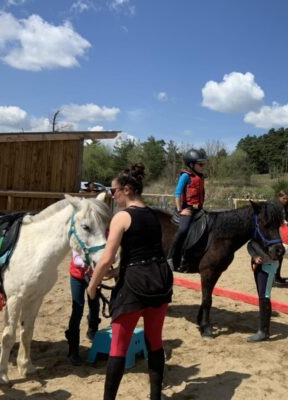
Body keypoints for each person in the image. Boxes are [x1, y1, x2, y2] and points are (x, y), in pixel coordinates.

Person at [87, 163, 172, 400]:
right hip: (159, 282)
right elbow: (144, 250)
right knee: (155, 342)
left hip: (134, 288)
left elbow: (106, 258)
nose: (112, 195)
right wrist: (117, 273)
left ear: (126, 189)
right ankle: (155, 396)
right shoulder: (153, 215)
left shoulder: (122, 217)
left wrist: (93, 286)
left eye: (114, 191)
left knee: (118, 348)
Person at [167, 148, 207, 272]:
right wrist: (180, 210)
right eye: (200, 164)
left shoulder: (200, 177)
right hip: (187, 209)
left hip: (199, 209)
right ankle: (171, 257)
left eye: (203, 164)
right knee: (183, 230)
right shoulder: (185, 176)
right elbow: (177, 193)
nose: (202, 167)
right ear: (191, 164)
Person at [246, 216, 280, 342]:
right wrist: (255, 256)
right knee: (262, 295)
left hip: (269, 266)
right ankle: (263, 330)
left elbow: (279, 250)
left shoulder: (274, 233)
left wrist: (264, 257)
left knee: (264, 296)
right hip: (260, 266)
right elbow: (251, 244)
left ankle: (264, 331)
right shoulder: (261, 230)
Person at [64, 251, 101, 365]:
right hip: (77, 276)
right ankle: (73, 350)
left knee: (95, 304)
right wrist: (88, 264)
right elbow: (76, 258)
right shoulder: (79, 235)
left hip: (95, 274)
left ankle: (92, 330)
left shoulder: (105, 234)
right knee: (77, 308)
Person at [274, 190, 288, 285]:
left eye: (287, 198)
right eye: (284, 198)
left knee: (280, 256)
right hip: (275, 234)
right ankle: (275, 277)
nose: (286, 200)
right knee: (275, 256)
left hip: (282, 234)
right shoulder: (276, 208)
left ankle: (277, 276)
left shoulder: (284, 207)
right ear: (279, 197)